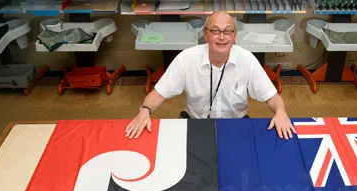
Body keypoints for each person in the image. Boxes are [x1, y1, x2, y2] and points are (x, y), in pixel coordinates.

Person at [125, 11, 296, 140]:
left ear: (235, 36)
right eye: (215, 31)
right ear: (205, 34)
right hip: (197, 124)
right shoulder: (186, 59)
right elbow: (158, 94)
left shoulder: (247, 60)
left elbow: (272, 97)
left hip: (235, 124)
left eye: (228, 31)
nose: (222, 37)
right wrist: (144, 111)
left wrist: (281, 111)